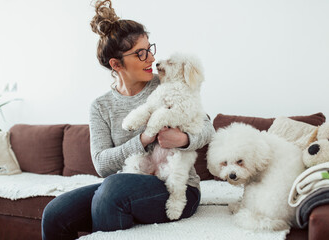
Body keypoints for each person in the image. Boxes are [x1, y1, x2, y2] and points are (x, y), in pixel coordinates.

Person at [41, 0, 214, 239]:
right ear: (116, 64)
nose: (151, 58)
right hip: (129, 181)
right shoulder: (101, 106)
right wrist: (143, 139)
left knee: (112, 192)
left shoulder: (165, 82)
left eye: (149, 49)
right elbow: (102, 165)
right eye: (140, 53)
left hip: (178, 187)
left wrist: (183, 139)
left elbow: (207, 128)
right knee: (55, 213)